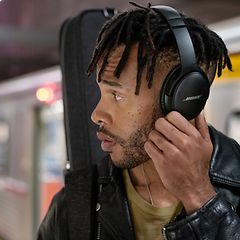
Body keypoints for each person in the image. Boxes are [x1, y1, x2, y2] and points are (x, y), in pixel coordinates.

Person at [37, 3, 240, 240]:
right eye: (101, 92)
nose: (96, 115)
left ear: (181, 100)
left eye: (117, 96)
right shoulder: (76, 205)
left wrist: (201, 200)